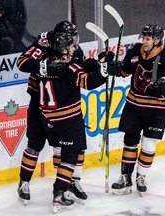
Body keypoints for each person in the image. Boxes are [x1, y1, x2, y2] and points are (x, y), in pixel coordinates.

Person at [18, 31, 117, 213]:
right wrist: (105, 72)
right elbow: (86, 81)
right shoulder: (68, 66)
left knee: (58, 151)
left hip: (46, 116)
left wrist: (99, 64)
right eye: (71, 45)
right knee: (71, 155)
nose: (75, 47)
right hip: (67, 118)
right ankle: (59, 194)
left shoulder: (44, 62)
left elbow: (28, 64)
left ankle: (62, 186)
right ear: (63, 49)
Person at [17, 21, 94, 205]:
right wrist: (43, 67)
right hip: (39, 104)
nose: (74, 42)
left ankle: (70, 183)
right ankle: (24, 183)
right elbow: (22, 63)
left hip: (66, 103)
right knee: (35, 143)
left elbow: (82, 66)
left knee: (73, 145)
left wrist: (98, 64)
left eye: (74, 37)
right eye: (71, 37)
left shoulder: (73, 47)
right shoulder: (44, 44)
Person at [111, 24, 165, 196]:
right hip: (134, 105)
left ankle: (141, 177)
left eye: (148, 39)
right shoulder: (135, 51)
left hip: (156, 109)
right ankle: (125, 178)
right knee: (129, 141)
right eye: (143, 38)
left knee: (149, 144)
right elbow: (124, 70)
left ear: (157, 41)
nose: (143, 41)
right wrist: (115, 68)